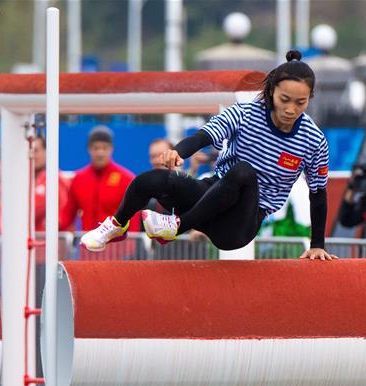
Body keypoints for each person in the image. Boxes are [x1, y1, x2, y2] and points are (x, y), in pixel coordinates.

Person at [81, 50, 335, 260]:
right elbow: (205, 136)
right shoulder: (245, 113)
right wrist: (178, 152)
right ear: (271, 93)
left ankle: (178, 225)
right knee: (152, 179)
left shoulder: (313, 140)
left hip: (240, 222)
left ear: (309, 99)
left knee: (244, 171)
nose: (290, 110)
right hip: (211, 197)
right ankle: (117, 225)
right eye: (285, 99)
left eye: (300, 103)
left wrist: (317, 244)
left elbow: (318, 193)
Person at [60, 126, 137, 233]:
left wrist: (130, 245)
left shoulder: (126, 179)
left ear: (111, 149)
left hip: (117, 247)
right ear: (89, 149)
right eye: (96, 148)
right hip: (88, 245)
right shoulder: (79, 179)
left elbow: (133, 216)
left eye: (104, 148)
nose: (100, 153)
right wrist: (51, 230)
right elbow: (67, 215)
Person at [31, 135, 70, 231]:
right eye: (30, 151)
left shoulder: (55, 179)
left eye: (36, 151)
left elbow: (65, 210)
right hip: (28, 240)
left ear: (45, 152)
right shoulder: (25, 179)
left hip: (48, 241)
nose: (32, 155)